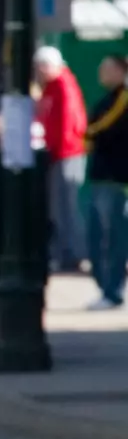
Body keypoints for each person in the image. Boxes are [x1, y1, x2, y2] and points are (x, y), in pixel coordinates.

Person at [34, 46, 89, 273]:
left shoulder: (63, 85)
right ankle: (66, 253)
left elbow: (69, 122)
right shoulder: (51, 88)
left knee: (68, 207)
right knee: (59, 208)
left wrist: (57, 148)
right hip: (57, 153)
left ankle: (74, 254)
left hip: (67, 154)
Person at [84, 54, 128, 309]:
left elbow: (97, 129)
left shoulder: (122, 99)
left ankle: (113, 291)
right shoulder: (107, 99)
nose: (102, 73)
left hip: (114, 178)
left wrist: (88, 134)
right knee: (98, 236)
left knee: (113, 236)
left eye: (107, 69)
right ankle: (107, 289)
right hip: (101, 176)